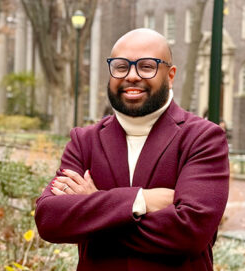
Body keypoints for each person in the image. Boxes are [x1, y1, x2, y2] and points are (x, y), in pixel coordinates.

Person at [35, 29, 229, 271]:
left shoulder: (202, 138)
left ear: (170, 76)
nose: (132, 76)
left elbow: (190, 234)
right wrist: (141, 200)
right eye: (121, 66)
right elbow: (49, 220)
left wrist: (94, 207)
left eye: (147, 66)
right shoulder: (84, 141)